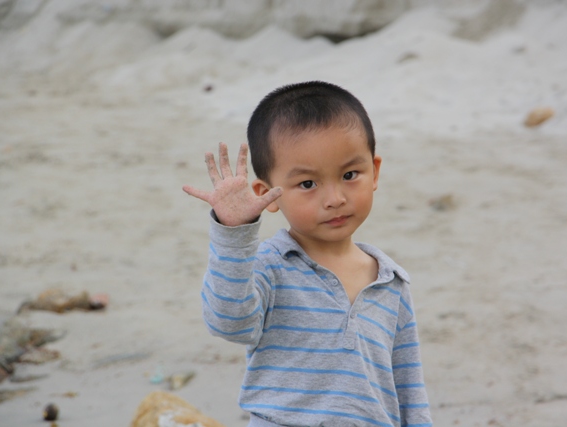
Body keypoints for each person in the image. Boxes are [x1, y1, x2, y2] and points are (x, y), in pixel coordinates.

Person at [183, 81, 432, 427]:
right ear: (267, 193)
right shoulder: (270, 266)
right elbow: (229, 322)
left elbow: (410, 392)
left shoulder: (391, 282)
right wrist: (234, 234)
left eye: (349, 175)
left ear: (374, 171)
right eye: (308, 184)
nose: (334, 198)